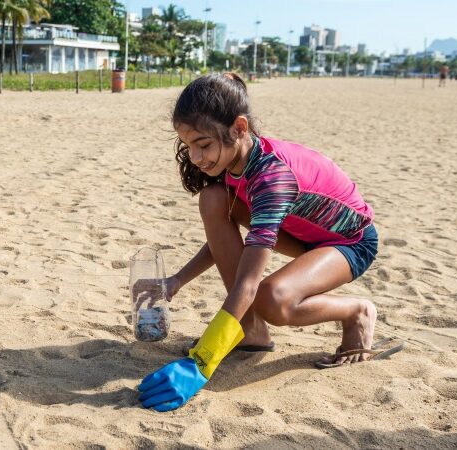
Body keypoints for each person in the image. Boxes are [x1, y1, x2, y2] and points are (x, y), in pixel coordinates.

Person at [136, 73, 404, 413]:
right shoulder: (235, 164)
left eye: (203, 145)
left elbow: (248, 284)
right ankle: (251, 333)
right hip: (306, 237)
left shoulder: (271, 177)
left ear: (239, 127)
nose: (196, 157)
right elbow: (224, 243)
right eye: (189, 146)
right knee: (214, 199)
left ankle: (357, 311)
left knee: (272, 298)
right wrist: (176, 281)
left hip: (350, 242)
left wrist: (202, 361)